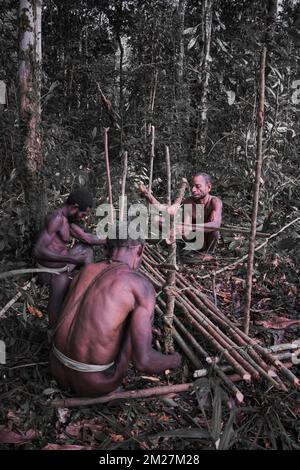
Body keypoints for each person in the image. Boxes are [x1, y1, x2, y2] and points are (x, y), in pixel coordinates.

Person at [50, 231, 181, 397]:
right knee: (134, 318)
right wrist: (175, 360)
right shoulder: (139, 285)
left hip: (55, 367)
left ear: (105, 250)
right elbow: (143, 361)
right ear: (140, 251)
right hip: (95, 383)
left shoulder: (86, 269)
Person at [33, 188, 105, 326]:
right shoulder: (56, 219)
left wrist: (112, 239)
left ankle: (87, 282)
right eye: (83, 214)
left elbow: (86, 238)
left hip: (63, 266)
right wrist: (71, 260)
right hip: (49, 273)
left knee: (86, 249)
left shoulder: (68, 220)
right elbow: (37, 251)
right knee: (58, 307)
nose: (83, 218)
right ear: (75, 207)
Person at [179, 173, 222, 259]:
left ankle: (209, 252)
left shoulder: (215, 201)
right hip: (194, 240)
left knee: (214, 229)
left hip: (208, 239)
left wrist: (192, 227)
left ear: (208, 187)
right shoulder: (188, 202)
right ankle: (193, 251)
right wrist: (183, 230)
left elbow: (216, 224)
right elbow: (186, 230)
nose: (193, 190)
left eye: (198, 186)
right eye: (193, 186)